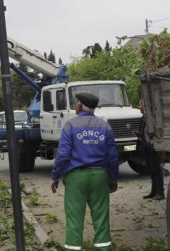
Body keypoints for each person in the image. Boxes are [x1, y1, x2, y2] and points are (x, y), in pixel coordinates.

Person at [50, 92, 119, 251]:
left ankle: (73, 248)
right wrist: (113, 178)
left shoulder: (70, 125)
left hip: (76, 178)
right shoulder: (105, 126)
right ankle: (103, 248)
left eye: (76, 103)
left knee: (74, 219)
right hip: (100, 177)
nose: (75, 106)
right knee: (101, 218)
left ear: (80, 105)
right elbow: (112, 156)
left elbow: (63, 154)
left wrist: (55, 175)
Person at [136, 99, 164, 200]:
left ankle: (160, 192)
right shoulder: (145, 117)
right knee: (151, 169)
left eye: (140, 105)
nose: (139, 107)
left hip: (153, 147)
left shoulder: (152, 117)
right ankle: (154, 191)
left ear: (145, 105)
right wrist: (139, 133)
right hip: (146, 147)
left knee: (156, 169)